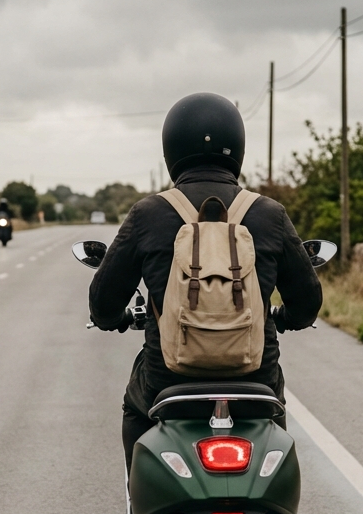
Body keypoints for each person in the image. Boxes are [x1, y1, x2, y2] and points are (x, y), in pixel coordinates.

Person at [88, 92, 322, 470]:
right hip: (255, 378)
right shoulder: (269, 214)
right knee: (273, 424)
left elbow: (102, 301)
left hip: (166, 381)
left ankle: (140, 501)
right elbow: (308, 301)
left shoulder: (149, 214)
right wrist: (288, 317)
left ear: (171, 149)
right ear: (238, 148)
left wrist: (112, 318)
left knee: (135, 409)